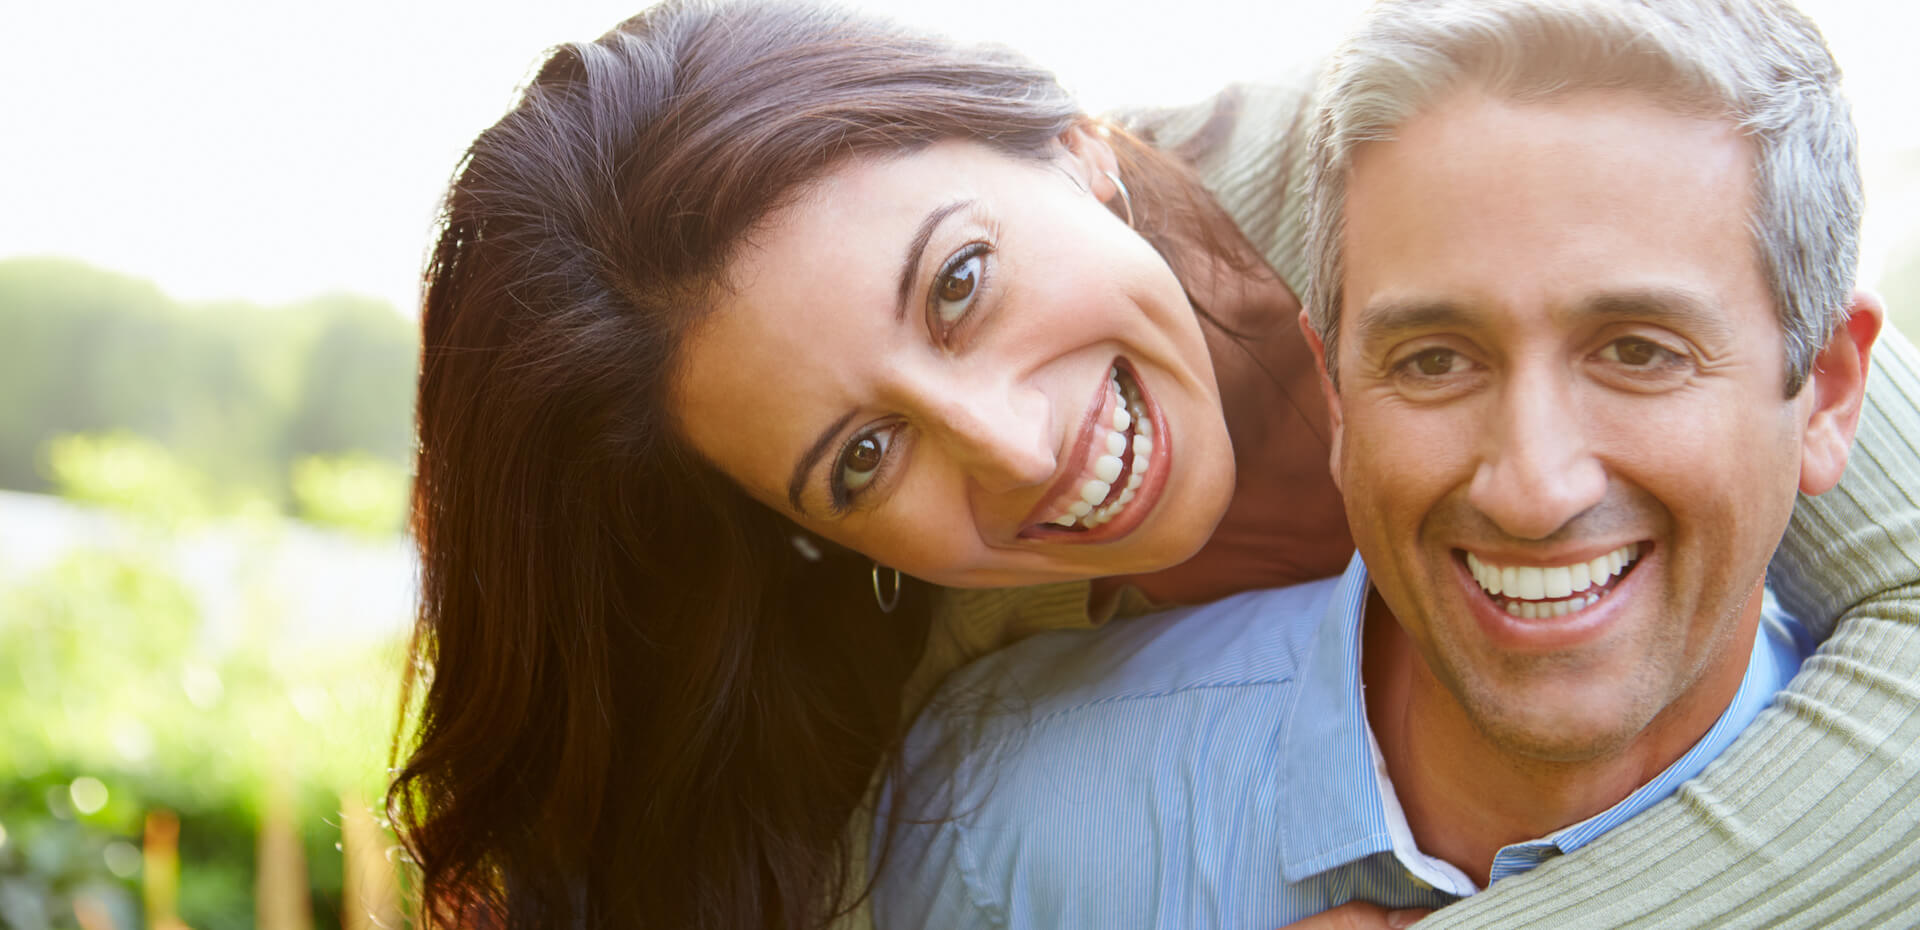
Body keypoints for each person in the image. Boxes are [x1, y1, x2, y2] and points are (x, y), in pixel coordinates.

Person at [387, 1, 1920, 928]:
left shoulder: (1467, 173)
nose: (1020, 443)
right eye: (862, 457)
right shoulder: (969, 766)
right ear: (800, 534)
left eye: (963, 285)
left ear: (1070, 139)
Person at [873, 0, 1904, 925]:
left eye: (1640, 351)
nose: (1534, 490)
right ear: (1336, 393)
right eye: (1435, 360)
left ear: (1831, 391)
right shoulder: (992, 832)